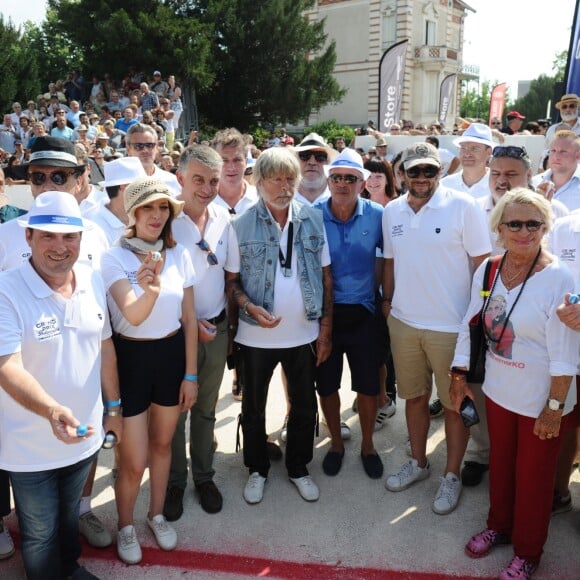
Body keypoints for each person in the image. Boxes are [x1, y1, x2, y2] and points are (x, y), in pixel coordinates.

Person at [450, 188, 578, 580]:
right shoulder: (490, 268)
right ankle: (499, 526)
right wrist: (458, 376)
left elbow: (565, 353)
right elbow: (471, 322)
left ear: (545, 228)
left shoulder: (558, 277)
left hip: (542, 398)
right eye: (515, 224)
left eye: (534, 224)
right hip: (499, 391)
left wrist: (554, 408)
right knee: (502, 467)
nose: (525, 232)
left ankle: (528, 551)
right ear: (499, 228)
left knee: (535, 478)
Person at [0, 190, 122, 580]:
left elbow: (104, 345)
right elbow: (7, 366)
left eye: (68, 236)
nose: (59, 246)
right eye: (48, 236)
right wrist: (51, 410)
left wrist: (114, 409)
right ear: (28, 238)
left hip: (83, 435)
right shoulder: (6, 290)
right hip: (28, 445)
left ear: (80, 240)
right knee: (39, 533)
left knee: (69, 518)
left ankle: (68, 569)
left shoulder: (92, 277)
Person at [382, 142, 490, 515]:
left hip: (451, 327)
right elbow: (391, 263)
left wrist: (474, 320)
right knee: (413, 398)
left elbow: (483, 266)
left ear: (440, 172)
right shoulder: (392, 211)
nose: (423, 178)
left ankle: (452, 475)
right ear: (402, 174)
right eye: (415, 171)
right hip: (404, 323)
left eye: (430, 170)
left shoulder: (464, 206)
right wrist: (388, 304)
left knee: (454, 406)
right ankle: (418, 463)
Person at [225, 147, 333, 504]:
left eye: (291, 178)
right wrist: (250, 308)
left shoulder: (313, 218)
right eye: (277, 178)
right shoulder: (240, 225)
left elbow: (325, 276)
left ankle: (299, 467)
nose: (285, 186)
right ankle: (257, 469)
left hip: (303, 334)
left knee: (304, 405)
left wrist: (325, 330)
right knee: (253, 407)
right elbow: (232, 283)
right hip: (255, 336)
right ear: (259, 182)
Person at [101, 177, 197, 564]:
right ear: (133, 213)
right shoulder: (114, 258)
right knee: (133, 459)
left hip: (172, 356)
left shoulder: (180, 254)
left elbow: (189, 319)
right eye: (148, 208)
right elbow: (133, 316)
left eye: (163, 209)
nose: (156, 216)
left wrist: (190, 375)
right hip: (131, 360)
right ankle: (125, 524)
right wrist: (150, 290)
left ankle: (155, 515)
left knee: (163, 446)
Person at [164, 145, 230, 521]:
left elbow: (229, 275)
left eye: (213, 181)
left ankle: (204, 477)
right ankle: (175, 480)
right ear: (181, 179)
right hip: (177, 335)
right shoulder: (165, 222)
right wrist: (189, 322)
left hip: (217, 331)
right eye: (198, 180)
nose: (206, 188)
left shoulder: (224, 217)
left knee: (205, 410)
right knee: (176, 413)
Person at [316, 148, 384, 479]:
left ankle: (368, 445)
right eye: (337, 177)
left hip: (365, 312)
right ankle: (336, 445)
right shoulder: (312, 213)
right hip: (325, 314)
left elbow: (387, 260)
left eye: (351, 178)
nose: (343, 184)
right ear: (329, 181)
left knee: (368, 386)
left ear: (363, 182)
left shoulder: (378, 215)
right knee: (326, 384)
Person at [89, 156, 146, 246]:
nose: (148, 191)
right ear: (125, 187)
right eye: (143, 186)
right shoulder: (91, 225)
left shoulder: (146, 216)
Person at [441, 123, 494, 199]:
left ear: (489, 152)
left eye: (475, 149)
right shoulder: (444, 185)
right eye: (463, 148)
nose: (467, 154)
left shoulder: (498, 186)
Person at [532, 130, 580, 212]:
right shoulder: (533, 183)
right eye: (553, 151)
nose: (556, 156)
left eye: (563, 152)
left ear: (578, 155)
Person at [126, 123, 180, 194]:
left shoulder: (172, 181)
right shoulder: (119, 185)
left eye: (150, 145)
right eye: (138, 146)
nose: (145, 150)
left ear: (157, 148)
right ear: (128, 149)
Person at [293, 132, 337, 207]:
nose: (312, 162)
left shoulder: (339, 197)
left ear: (328, 162)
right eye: (305, 155)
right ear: (296, 160)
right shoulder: (284, 197)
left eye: (320, 157)